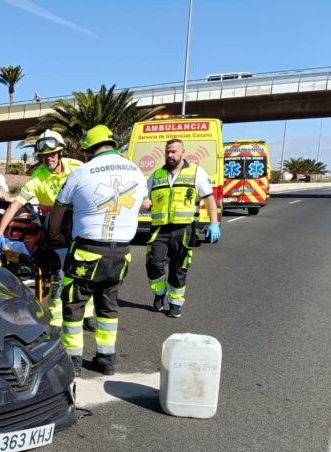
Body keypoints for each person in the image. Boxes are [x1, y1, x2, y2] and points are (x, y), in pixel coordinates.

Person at [49, 125, 147, 376]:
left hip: (88, 250)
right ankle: (106, 359)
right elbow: (143, 203)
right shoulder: (135, 170)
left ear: (88, 149)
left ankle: (73, 361)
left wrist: (55, 234)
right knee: (108, 305)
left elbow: (58, 209)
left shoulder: (82, 172)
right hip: (121, 252)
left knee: (73, 305)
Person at [0, 129, 85, 326]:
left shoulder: (77, 168)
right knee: (60, 271)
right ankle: (56, 316)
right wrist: (0, 233)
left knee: (85, 271)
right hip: (56, 227)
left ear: (60, 153)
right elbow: (15, 205)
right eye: (44, 156)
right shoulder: (38, 177)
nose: (48, 159)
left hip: (80, 223)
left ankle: (87, 314)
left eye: (52, 154)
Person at [142, 138, 220, 318]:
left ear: (183, 152)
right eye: (167, 151)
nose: (170, 155)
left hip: (184, 229)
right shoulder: (157, 174)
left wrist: (214, 222)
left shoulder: (196, 172)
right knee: (154, 264)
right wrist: (144, 203)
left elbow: (208, 198)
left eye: (174, 151)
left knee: (179, 267)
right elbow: (145, 198)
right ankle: (159, 293)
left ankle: (175, 303)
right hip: (159, 229)